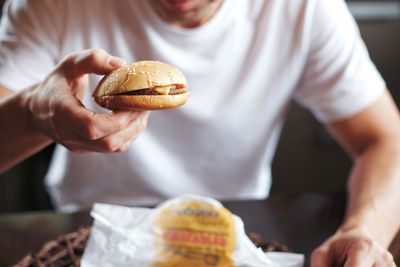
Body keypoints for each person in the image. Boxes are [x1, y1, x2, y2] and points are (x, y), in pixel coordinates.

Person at [0, 0, 399, 266]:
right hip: (86, 233)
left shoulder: (305, 9)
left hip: (240, 228)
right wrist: (35, 111)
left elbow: (386, 139)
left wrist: (362, 230)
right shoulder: (52, 5)